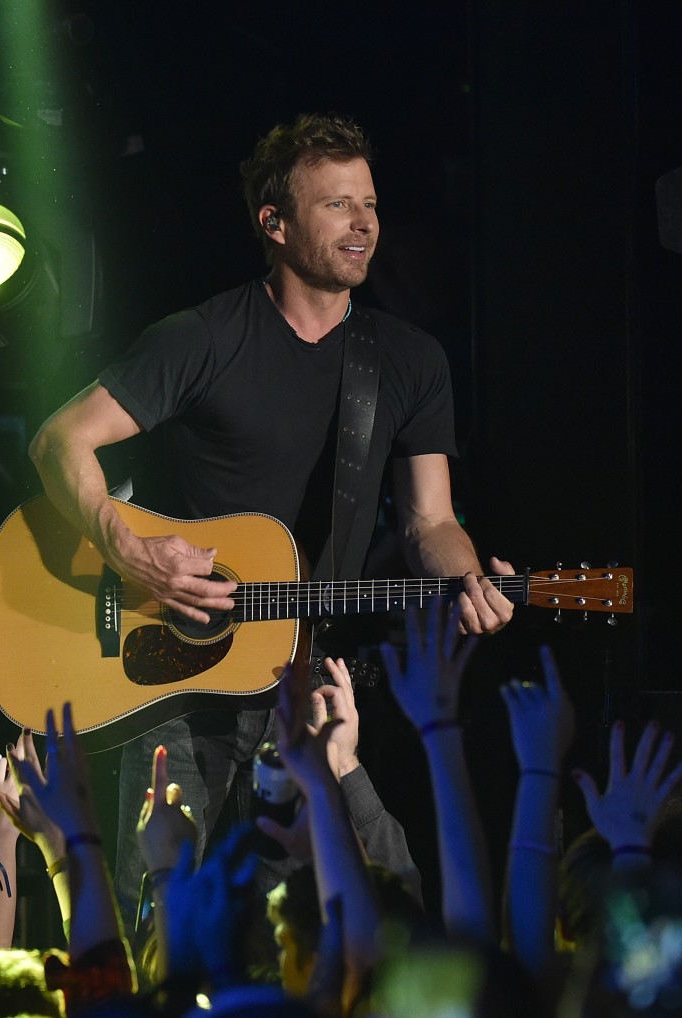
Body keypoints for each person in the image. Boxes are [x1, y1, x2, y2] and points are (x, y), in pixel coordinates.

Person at [27, 112, 514, 927]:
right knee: (162, 922)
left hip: (310, 683)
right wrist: (129, 547)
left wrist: (466, 574)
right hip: (174, 675)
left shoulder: (406, 361)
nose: (363, 224)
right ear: (275, 223)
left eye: (369, 203)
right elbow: (58, 440)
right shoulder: (201, 338)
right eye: (336, 205)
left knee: (333, 931)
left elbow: (430, 522)